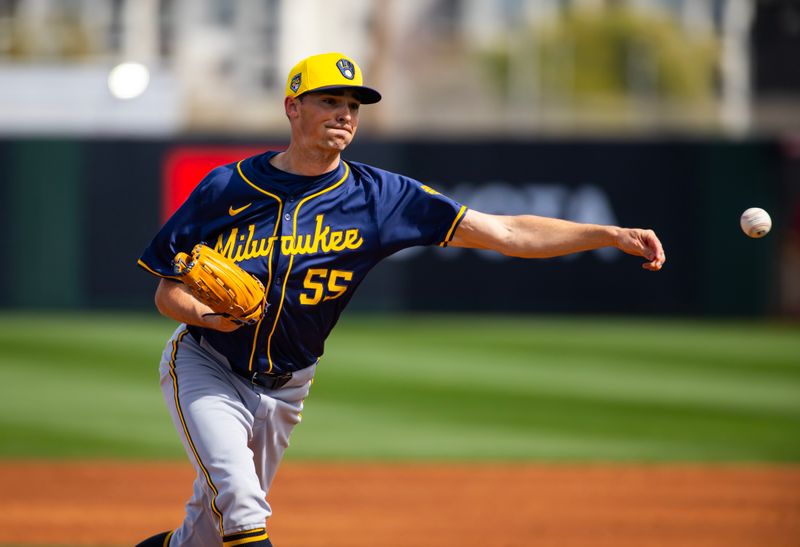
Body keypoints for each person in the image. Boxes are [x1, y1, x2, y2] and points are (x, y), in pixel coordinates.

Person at [135, 51, 665, 547]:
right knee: (244, 506)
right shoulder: (229, 186)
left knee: (204, 537)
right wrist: (206, 315)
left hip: (288, 387)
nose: (344, 114)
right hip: (208, 364)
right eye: (329, 101)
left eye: (352, 106)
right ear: (292, 107)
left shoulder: (382, 197)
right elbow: (167, 290)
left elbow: (507, 232)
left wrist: (607, 233)